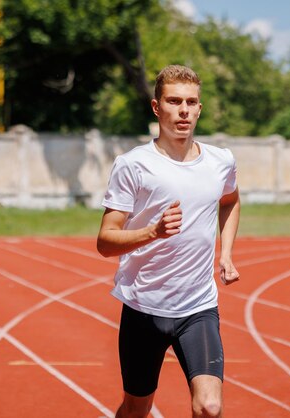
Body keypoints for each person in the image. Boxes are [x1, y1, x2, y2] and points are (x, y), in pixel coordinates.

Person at [97, 64, 241, 418]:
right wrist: (152, 232)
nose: (184, 110)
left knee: (209, 406)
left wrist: (226, 253)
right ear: (156, 107)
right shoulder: (133, 165)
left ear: (199, 108)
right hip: (144, 307)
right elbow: (105, 240)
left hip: (197, 307)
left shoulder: (221, 161)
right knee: (136, 408)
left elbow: (231, 199)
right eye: (174, 101)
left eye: (191, 102)